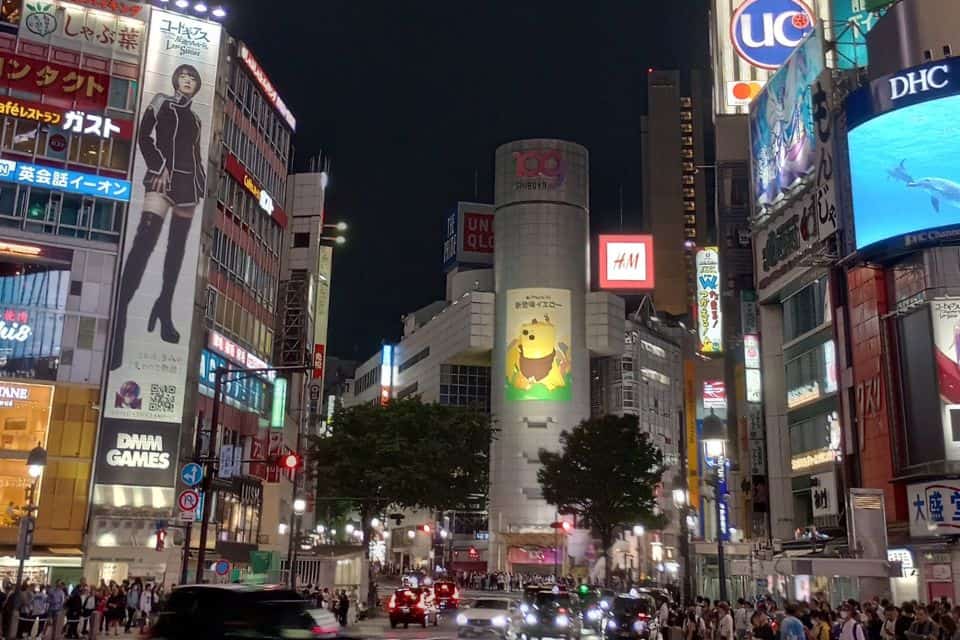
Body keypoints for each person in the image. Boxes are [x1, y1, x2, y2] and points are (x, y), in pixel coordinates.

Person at [109, 63, 208, 371]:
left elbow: (195, 152)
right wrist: (158, 164)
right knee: (143, 243)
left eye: (193, 77)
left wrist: (201, 181)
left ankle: (164, 306)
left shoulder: (195, 116)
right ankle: (119, 321)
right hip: (160, 177)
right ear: (175, 79)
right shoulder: (160, 100)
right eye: (183, 76)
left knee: (177, 249)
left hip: (188, 182)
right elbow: (143, 136)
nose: (188, 81)